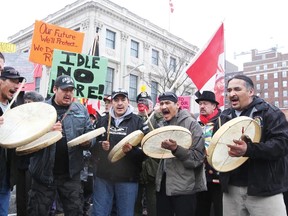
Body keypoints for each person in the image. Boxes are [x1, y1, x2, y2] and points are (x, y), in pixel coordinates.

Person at [216, 75, 288, 216]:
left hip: (265, 190)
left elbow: (282, 144)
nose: (232, 94)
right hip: (232, 190)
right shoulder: (222, 118)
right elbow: (217, 146)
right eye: (229, 90)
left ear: (251, 92)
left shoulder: (270, 113)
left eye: (237, 89)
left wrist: (249, 150)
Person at [28, 75, 94, 216]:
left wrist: (88, 142)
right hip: (43, 174)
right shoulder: (41, 110)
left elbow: (90, 133)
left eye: (71, 90)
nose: (68, 94)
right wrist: (47, 131)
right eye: (64, 90)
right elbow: (28, 138)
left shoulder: (81, 110)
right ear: (55, 89)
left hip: (71, 175)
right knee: (37, 211)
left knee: (75, 211)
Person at [91, 88, 149, 216]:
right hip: (104, 176)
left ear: (128, 102)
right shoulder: (102, 120)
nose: (120, 103)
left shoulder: (138, 122)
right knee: (99, 213)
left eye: (123, 99)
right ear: (112, 102)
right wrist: (101, 147)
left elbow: (146, 151)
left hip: (128, 178)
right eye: (116, 100)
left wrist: (131, 151)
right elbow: (91, 146)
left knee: (125, 213)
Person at [155, 91, 206, 216]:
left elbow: (197, 158)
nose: (163, 107)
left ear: (177, 105)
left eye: (167, 103)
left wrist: (176, 149)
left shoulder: (192, 125)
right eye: (161, 103)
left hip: (184, 189)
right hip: (162, 187)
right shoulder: (160, 125)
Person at [0, 66, 25, 216]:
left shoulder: (16, 108)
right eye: (13, 81)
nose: (16, 86)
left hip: (6, 175)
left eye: (18, 82)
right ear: (1, 81)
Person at [195, 91, 223, 216]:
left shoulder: (223, 121)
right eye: (200, 104)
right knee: (200, 210)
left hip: (218, 175)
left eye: (205, 103)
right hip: (200, 175)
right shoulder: (196, 123)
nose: (201, 106)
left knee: (219, 210)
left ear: (214, 106)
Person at [16, 91, 44, 216]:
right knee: (21, 198)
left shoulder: (44, 122)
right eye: (25, 102)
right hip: (20, 164)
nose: (27, 105)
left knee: (31, 199)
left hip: (34, 165)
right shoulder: (19, 120)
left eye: (30, 103)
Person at [135, 91, 162, 216]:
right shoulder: (134, 120)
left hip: (153, 168)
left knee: (153, 203)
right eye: (140, 102)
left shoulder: (157, 119)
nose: (142, 105)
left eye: (145, 102)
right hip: (137, 168)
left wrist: (158, 115)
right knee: (135, 203)